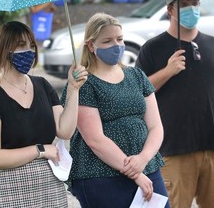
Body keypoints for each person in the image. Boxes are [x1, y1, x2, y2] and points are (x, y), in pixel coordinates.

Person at [135, 0, 214, 208]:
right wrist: (168, 71)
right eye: (184, 5)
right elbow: (138, 94)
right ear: (170, 10)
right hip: (172, 151)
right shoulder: (152, 49)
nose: (191, 9)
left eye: (195, 4)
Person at [61, 13, 170, 208]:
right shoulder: (84, 84)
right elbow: (95, 139)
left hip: (147, 166)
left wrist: (143, 159)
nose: (117, 45)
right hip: (101, 175)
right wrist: (134, 173)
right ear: (91, 46)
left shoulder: (136, 76)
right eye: (107, 41)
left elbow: (156, 126)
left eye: (119, 39)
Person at [0, 21, 87, 207]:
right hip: (10, 188)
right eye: (21, 45)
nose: (28, 51)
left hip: (50, 185)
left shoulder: (42, 85)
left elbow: (64, 131)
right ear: (4, 49)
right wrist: (40, 150)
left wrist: (74, 89)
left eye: (31, 46)